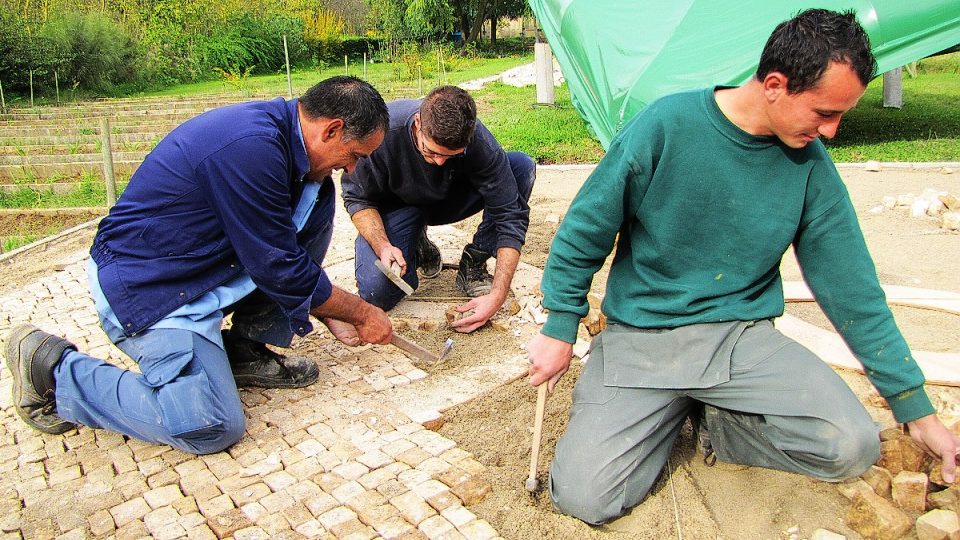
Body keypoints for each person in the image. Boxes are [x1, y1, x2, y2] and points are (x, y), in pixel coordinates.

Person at [526, 9, 960, 525]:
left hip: (739, 341)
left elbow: (854, 289)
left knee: (850, 446)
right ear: (775, 84)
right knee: (584, 498)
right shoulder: (666, 126)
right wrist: (559, 323)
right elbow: (585, 229)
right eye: (824, 112)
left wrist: (913, 405)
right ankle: (662, 413)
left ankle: (721, 427)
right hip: (643, 338)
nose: (833, 132)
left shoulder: (810, 166)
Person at [5, 76, 394, 455]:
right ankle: (55, 374)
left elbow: (285, 258)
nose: (354, 169)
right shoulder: (251, 149)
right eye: (356, 155)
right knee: (210, 424)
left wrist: (324, 309)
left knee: (313, 203)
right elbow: (278, 265)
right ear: (332, 129)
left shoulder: (299, 162)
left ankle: (242, 352)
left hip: (200, 272)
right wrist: (359, 312)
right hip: (152, 286)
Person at [341, 85, 536, 333]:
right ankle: (414, 246)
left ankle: (474, 262)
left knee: (520, 167)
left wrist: (498, 295)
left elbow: (510, 215)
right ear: (418, 124)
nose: (439, 161)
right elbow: (358, 199)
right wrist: (383, 246)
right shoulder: (381, 134)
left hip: (448, 200)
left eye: (451, 156)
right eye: (431, 151)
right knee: (378, 293)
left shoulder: (478, 140)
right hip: (399, 206)